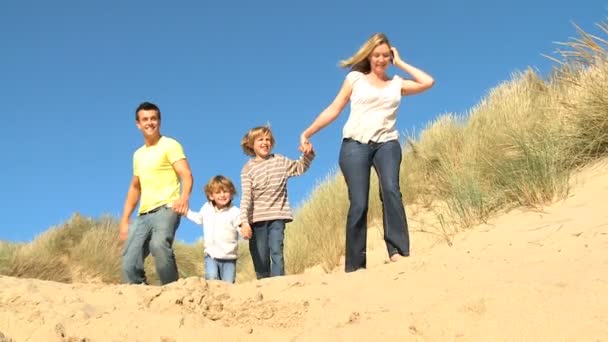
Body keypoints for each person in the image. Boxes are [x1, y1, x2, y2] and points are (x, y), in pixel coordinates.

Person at [299, 33, 434, 273]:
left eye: (385, 55)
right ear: (369, 56)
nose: (381, 59)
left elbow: (428, 82)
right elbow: (334, 108)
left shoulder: (397, 84)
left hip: (387, 143)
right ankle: (355, 266)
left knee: (391, 189)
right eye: (376, 55)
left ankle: (398, 251)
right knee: (359, 202)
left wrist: (400, 62)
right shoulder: (355, 79)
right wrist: (308, 132)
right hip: (355, 145)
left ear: (390, 57)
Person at [119, 101, 193, 285]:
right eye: (145, 119)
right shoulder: (138, 155)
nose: (149, 123)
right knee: (129, 260)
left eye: (153, 118)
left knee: (158, 245)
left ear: (159, 121)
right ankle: (138, 294)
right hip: (143, 215)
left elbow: (186, 174)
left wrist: (184, 197)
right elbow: (135, 187)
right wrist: (124, 219)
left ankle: (173, 290)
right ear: (138, 124)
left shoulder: (170, 145)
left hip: (167, 208)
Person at [240, 125, 315, 279]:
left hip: (277, 216)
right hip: (257, 219)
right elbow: (246, 197)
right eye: (260, 139)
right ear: (251, 145)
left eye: (268, 139)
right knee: (260, 256)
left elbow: (299, 168)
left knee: (276, 250)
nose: (265, 142)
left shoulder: (280, 160)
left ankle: (279, 285)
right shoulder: (247, 169)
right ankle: (263, 285)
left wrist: (308, 155)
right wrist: (244, 221)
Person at [185, 175, 240, 283]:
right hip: (211, 255)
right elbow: (199, 218)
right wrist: (186, 212)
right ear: (211, 195)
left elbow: (241, 226)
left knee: (228, 284)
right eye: (218, 192)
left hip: (229, 257)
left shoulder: (235, 211)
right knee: (211, 279)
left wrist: (245, 231)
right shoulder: (207, 208)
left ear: (232, 193)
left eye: (225, 191)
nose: (222, 195)